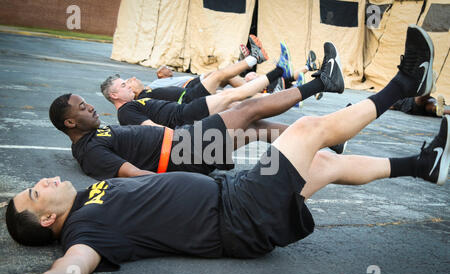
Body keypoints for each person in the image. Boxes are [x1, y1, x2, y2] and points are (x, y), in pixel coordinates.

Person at [7, 25, 448, 274]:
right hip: (239, 214)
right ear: (47, 219)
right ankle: (406, 82)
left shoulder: (86, 198)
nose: (42, 181)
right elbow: (76, 264)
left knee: (324, 163)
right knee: (307, 130)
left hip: (233, 194)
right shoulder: (83, 230)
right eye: (35, 193)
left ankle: (422, 165)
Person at [48, 42, 346, 180]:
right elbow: (136, 175)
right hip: (183, 149)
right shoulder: (90, 151)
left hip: (185, 145)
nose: (90, 108)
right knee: (248, 107)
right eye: (83, 108)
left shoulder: (91, 138)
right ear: (70, 122)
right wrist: (186, 185)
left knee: (257, 129)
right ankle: (323, 82)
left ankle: (330, 140)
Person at [100, 43, 288, 128]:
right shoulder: (133, 106)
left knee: (234, 101)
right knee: (229, 92)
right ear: (115, 95)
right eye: (125, 84)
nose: (130, 83)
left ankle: (281, 91)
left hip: (188, 101)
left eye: (128, 82)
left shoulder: (145, 94)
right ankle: (260, 63)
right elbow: (151, 128)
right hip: (188, 103)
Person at [124, 36, 269, 104]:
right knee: (221, 77)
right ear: (159, 73)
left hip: (192, 85)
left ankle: (255, 83)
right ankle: (250, 64)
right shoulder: (151, 88)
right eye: (130, 81)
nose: (134, 78)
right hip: (192, 86)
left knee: (226, 83)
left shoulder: (161, 83)